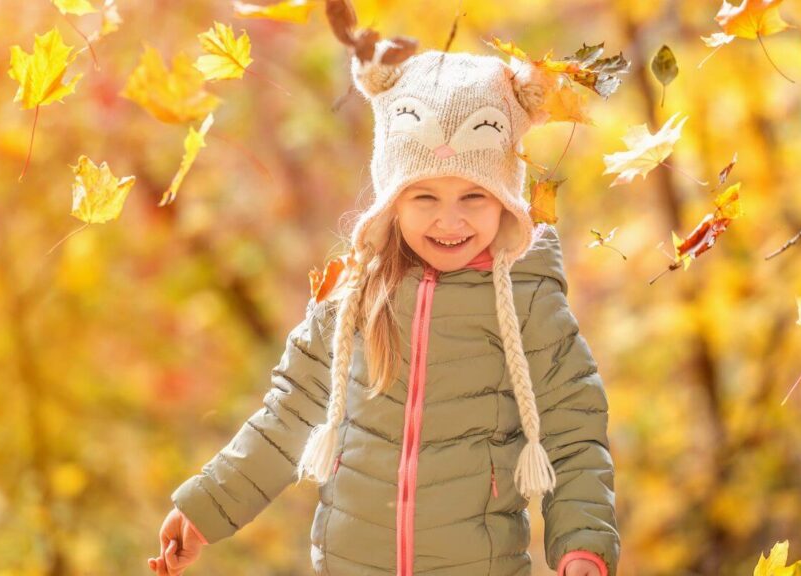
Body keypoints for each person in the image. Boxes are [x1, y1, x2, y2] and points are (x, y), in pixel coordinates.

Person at [148, 38, 620, 576]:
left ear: (505, 199)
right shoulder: (355, 293)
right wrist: (206, 508)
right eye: (424, 197)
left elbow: (573, 430)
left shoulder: (526, 298)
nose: (450, 220)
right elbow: (289, 414)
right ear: (393, 199)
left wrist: (582, 545)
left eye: (474, 196)